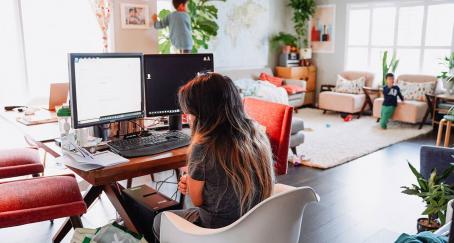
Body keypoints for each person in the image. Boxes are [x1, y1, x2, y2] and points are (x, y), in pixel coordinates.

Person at [152, 73, 275, 240]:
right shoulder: (257, 135)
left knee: (159, 220)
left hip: (218, 231)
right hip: (254, 226)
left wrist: (190, 182)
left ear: (203, 113)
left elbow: (197, 200)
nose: (188, 117)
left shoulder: (203, 148)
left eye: (190, 112)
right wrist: (193, 180)